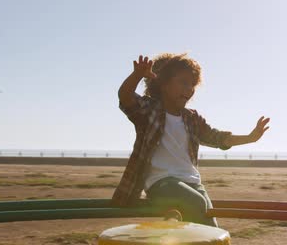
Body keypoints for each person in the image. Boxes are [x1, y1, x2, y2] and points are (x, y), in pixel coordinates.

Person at [112, 53, 270, 227]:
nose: (189, 89)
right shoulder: (149, 111)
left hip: (193, 183)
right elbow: (125, 97)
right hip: (161, 183)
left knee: (211, 228)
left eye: (193, 85)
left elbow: (217, 138)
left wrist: (250, 138)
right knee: (196, 203)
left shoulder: (191, 118)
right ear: (163, 84)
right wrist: (137, 75)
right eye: (183, 82)